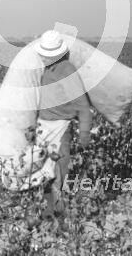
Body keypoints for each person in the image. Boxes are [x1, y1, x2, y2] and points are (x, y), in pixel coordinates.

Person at [34, 30, 92, 219]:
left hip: (60, 129)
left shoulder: (67, 71)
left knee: (58, 174)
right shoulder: (43, 69)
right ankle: (45, 213)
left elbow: (83, 105)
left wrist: (84, 132)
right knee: (40, 173)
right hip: (41, 127)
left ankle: (59, 219)